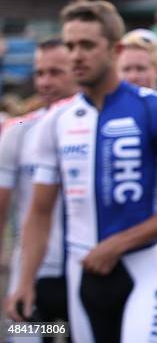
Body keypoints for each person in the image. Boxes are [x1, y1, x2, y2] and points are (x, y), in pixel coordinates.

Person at [5, 0, 157, 342]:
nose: (76, 55)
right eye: (70, 45)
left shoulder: (156, 109)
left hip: (143, 267)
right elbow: (39, 212)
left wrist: (119, 243)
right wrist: (24, 281)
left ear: (114, 50)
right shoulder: (56, 121)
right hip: (79, 273)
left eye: (87, 45)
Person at [0, 38, 77, 339]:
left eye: (56, 73)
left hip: (84, 272)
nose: (46, 82)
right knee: (27, 336)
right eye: (40, 73)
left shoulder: (97, 127)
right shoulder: (17, 131)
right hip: (31, 274)